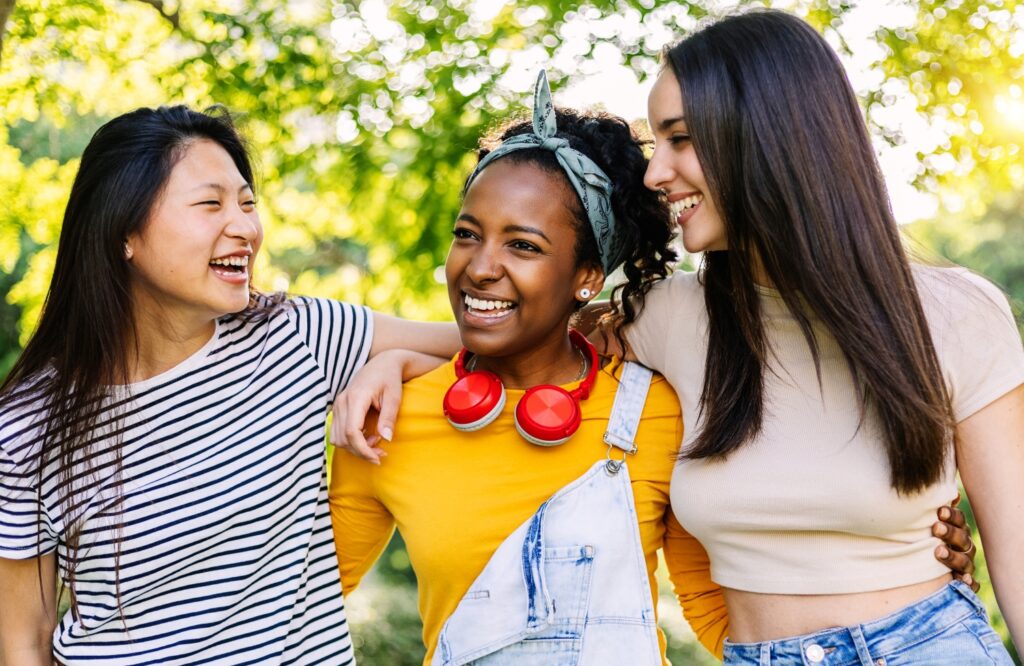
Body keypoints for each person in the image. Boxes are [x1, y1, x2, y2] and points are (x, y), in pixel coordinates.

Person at [327, 71, 976, 665]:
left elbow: (714, 604)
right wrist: (392, 359)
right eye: (467, 234)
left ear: (587, 277)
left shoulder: (655, 410)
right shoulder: (385, 419)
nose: (479, 266)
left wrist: (904, 609)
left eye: (523, 244)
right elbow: (305, 606)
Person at [632, 9, 1024, 665]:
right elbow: (500, 334)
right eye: (654, 146)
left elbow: (1016, 547)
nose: (655, 174)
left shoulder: (957, 314)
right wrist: (399, 352)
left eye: (681, 139)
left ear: (766, 135)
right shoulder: (666, 315)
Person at [0, 105, 458, 665]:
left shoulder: (297, 336)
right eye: (210, 204)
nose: (244, 227)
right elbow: (23, 641)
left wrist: (398, 362)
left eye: (247, 203)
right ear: (124, 233)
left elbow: (498, 342)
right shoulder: (29, 423)